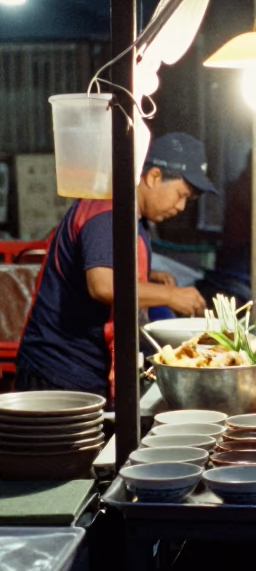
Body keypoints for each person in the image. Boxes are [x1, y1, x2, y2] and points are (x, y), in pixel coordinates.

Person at [15, 133, 215, 400]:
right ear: (154, 176)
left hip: (83, 372)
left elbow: (97, 260)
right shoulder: (108, 209)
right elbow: (103, 285)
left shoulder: (133, 213)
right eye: (181, 195)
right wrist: (170, 296)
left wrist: (148, 276)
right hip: (57, 377)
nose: (180, 207)